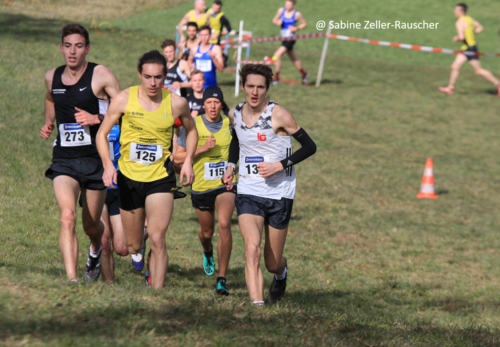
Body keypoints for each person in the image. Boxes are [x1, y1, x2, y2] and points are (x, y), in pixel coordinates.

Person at [96, 50, 197, 289]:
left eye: (158, 77)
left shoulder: (176, 103)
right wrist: (108, 165)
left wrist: (189, 160)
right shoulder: (123, 99)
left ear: (165, 76)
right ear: (140, 74)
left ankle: (157, 294)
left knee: (158, 237)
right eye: (148, 77)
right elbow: (101, 134)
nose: (153, 83)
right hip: (129, 178)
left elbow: (191, 131)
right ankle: (139, 244)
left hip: (160, 178)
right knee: (129, 246)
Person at [222, 64, 316, 305]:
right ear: (242, 87)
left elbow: (310, 147)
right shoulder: (234, 114)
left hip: (280, 193)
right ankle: (257, 307)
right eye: (250, 86)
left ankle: (281, 274)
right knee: (251, 249)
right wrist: (231, 165)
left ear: (267, 88)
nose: (255, 92)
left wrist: (279, 165)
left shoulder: (279, 115)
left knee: (272, 262)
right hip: (249, 191)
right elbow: (237, 139)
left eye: (260, 87)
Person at [40, 23, 121, 283]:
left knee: (91, 226)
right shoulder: (52, 76)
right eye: (67, 46)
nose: (72, 51)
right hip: (64, 160)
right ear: (61, 48)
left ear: (87, 48)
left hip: (94, 160)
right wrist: (48, 121)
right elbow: (51, 99)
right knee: (67, 216)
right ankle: (73, 281)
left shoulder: (101, 75)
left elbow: (125, 112)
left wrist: (96, 118)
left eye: (78, 46)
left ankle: (95, 248)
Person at [175, 86, 236, 296]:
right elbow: (177, 158)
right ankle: (207, 250)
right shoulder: (194, 125)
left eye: (217, 102)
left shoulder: (229, 125)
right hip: (200, 186)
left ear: (221, 105)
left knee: (225, 223)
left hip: (224, 184)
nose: (213, 106)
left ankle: (221, 279)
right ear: (203, 104)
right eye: (209, 102)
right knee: (207, 232)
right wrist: (201, 149)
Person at [438, 3, 500, 96]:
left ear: (461, 11)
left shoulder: (459, 22)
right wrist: (472, 33)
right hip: (471, 47)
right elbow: (480, 28)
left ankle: (498, 84)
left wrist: (456, 38)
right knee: (455, 66)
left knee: (478, 71)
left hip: (468, 48)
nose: (454, 12)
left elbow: (462, 37)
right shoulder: (470, 19)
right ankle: (450, 88)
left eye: (456, 10)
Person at [271, 0, 309, 85]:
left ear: (293, 5)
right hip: (284, 38)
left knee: (277, 54)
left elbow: (304, 24)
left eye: (289, 4)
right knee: (293, 58)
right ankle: (304, 73)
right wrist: (277, 22)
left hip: (291, 39)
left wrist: (296, 28)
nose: (287, 6)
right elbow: (274, 19)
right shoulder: (281, 10)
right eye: (286, 4)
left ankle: (276, 78)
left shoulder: (297, 14)